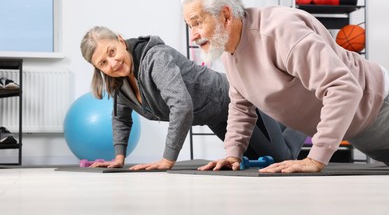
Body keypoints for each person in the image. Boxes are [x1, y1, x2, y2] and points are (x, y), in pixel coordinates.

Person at [181, 0, 389, 173]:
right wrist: (233, 154)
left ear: (226, 15)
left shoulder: (280, 32)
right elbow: (241, 105)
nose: (194, 35)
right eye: (190, 26)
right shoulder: (230, 51)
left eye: (197, 23)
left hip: (378, 107)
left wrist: (316, 158)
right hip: (356, 128)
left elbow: (343, 87)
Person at [80, 26, 306, 170]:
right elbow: (121, 119)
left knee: (281, 159)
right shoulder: (119, 83)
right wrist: (119, 158)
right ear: (97, 68)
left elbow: (182, 106)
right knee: (263, 163)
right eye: (103, 63)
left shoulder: (156, 59)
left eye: (111, 52)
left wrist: (167, 160)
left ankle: (310, 113)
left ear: (120, 40)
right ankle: (294, 110)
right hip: (215, 116)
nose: (113, 63)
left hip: (238, 98)